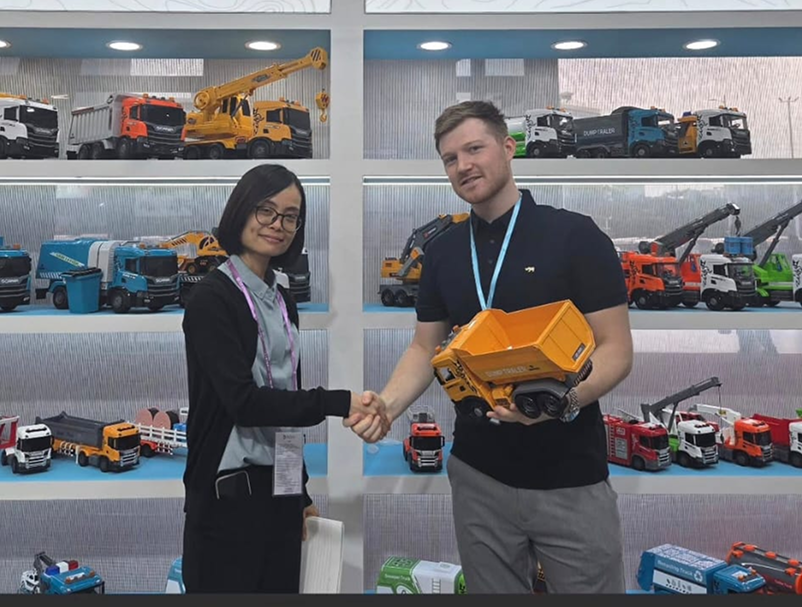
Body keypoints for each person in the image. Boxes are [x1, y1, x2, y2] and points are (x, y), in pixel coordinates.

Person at [347, 100, 633, 595]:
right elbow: (424, 347)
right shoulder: (443, 252)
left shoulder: (575, 236)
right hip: (478, 475)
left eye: (474, 149)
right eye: (450, 158)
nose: (463, 165)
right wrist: (388, 406)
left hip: (569, 475)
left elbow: (616, 349)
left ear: (508, 147)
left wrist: (561, 402)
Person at [181, 163, 382, 594]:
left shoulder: (282, 299)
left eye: (291, 216)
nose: (278, 225)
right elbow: (244, 403)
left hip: (279, 498)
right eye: (266, 211)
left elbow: (284, 405)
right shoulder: (210, 299)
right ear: (241, 211)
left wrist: (299, 493)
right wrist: (338, 401)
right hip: (226, 501)